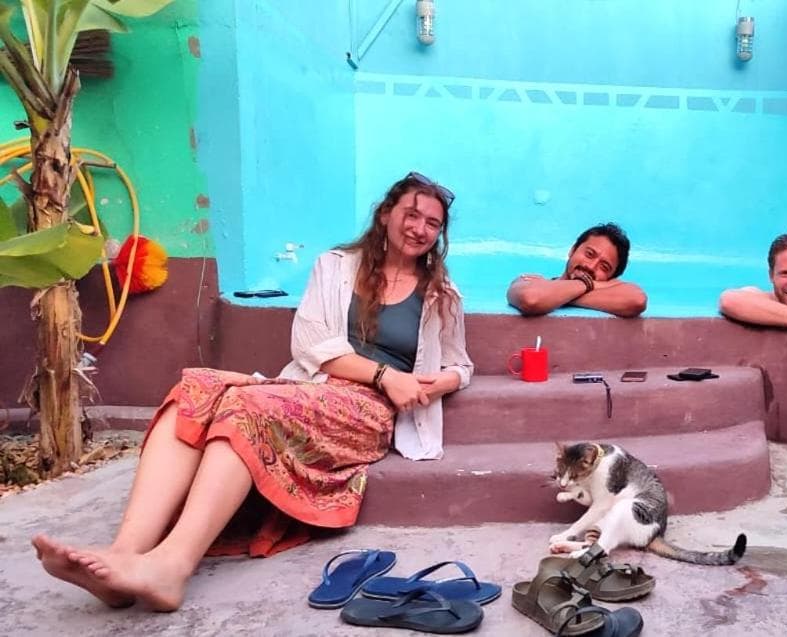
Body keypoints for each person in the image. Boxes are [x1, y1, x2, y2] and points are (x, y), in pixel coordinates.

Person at [31, 172, 474, 611]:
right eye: (411, 214)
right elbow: (311, 344)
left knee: (246, 406)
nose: (419, 229)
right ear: (385, 214)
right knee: (196, 388)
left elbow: (461, 364)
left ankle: (172, 565)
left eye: (432, 224)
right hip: (311, 385)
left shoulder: (441, 293)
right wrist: (385, 374)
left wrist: (440, 381)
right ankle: (125, 553)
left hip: (367, 409)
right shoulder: (336, 266)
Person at [507, 222, 647, 318]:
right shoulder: (532, 281)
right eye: (589, 254)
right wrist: (586, 284)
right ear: (572, 250)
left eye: (604, 267)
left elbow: (637, 300)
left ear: (610, 278)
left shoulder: (543, 287)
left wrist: (554, 296)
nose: (591, 266)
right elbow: (531, 299)